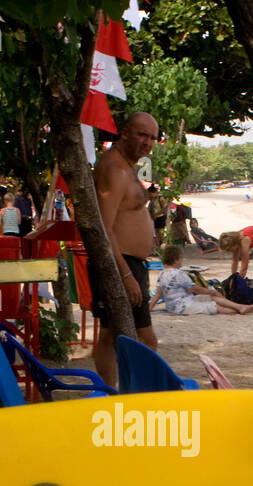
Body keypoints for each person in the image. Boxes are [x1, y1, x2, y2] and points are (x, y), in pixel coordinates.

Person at [91, 111, 160, 387]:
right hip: (122, 264)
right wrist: (126, 275)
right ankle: (129, 394)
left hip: (132, 263)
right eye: (142, 134)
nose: (147, 142)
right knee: (144, 339)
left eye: (153, 137)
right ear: (125, 132)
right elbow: (104, 230)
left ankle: (114, 392)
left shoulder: (128, 166)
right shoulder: (115, 169)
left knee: (110, 335)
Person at [149, 244, 253, 315]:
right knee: (214, 306)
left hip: (174, 306)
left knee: (211, 297)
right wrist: (213, 291)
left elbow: (158, 294)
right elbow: (196, 289)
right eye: (181, 258)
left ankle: (240, 307)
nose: (182, 261)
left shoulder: (161, 274)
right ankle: (240, 310)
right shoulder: (179, 274)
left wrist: (150, 308)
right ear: (176, 259)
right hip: (183, 306)